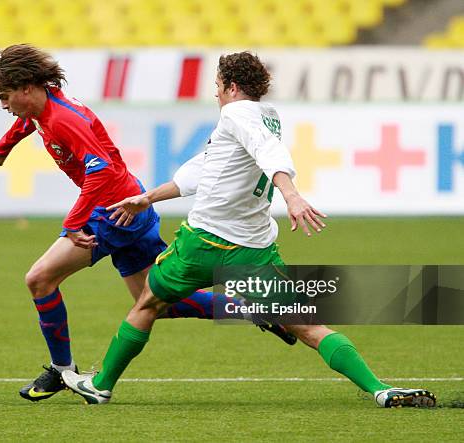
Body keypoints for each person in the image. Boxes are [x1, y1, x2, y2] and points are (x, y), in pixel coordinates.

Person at [62, 51, 437, 409]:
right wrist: (148, 198)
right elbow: (205, 167)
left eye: (217, 84)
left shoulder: (237, 113)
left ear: (231, 85)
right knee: (308, 326)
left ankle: (100, 386)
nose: (214, 92)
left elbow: (269, 154)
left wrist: (291, 194)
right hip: (253, 251)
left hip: (202, 243)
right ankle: (380, 390)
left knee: (147, 303)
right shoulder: (265, 116)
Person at [0, 45, 294, 402]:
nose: (4, 106)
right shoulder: (43, 106)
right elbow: (30, 120)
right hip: (132, 206)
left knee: (39, 279)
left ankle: (61, 370)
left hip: (113, 212)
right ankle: (250, 309)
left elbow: (98, 170)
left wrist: (74, 223)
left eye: (6, 97)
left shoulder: (64, 118)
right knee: (155, 301)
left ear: (26, 88)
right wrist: (4, 146)